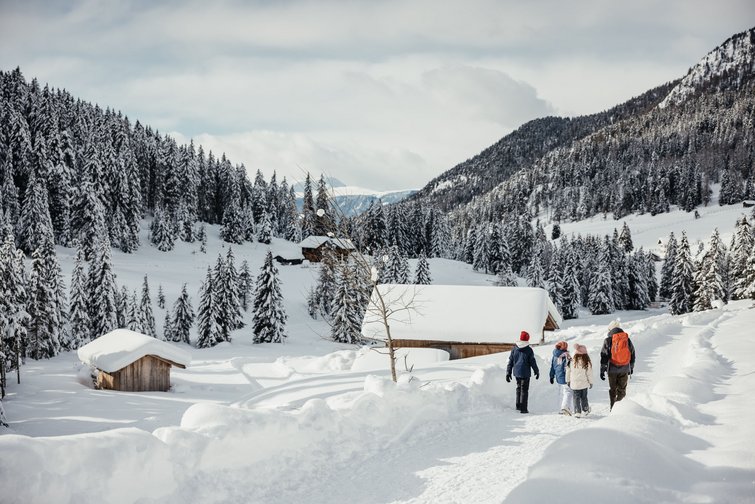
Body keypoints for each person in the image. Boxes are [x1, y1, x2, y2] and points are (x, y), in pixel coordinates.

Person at [600, 319, 636, 409]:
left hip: (612, 369)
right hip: (624, 368)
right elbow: (632, 353)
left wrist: (602, 369)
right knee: (622, 390)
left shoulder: (608, 340)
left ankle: (613, 408)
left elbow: (604, 356)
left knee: (613, 390)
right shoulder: (626, 339)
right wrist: (631, 367)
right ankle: (620, 409)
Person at [506, 330, 540, 414]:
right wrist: (536, 371)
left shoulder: (514, 348)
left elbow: (510, 361)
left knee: (518, 388)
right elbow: (532, 361)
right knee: (524, 390)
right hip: (525, 373)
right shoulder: (528, 350)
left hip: (516, 372)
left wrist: (508, 372)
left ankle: (518, 406)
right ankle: (523, 409)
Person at [567, 343, 593, 417]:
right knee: (584, 397)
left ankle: (577, 412)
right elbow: (589, 373)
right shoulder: (586, 362)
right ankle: (585, 410)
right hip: (584, 384)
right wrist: (591, 382)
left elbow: (568, 371)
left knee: (576, 398)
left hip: (574, 384)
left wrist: (568, 380)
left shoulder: (571, 361)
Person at [549, 341, 573, 415]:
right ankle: (565, 407)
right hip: (565, 377)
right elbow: (568, 367)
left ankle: (561, 409)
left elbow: (552, 367)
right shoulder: (566, 355)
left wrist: (551, 376)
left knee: (561, 393)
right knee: (568, 391)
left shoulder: (554, 356)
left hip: (558, 377)